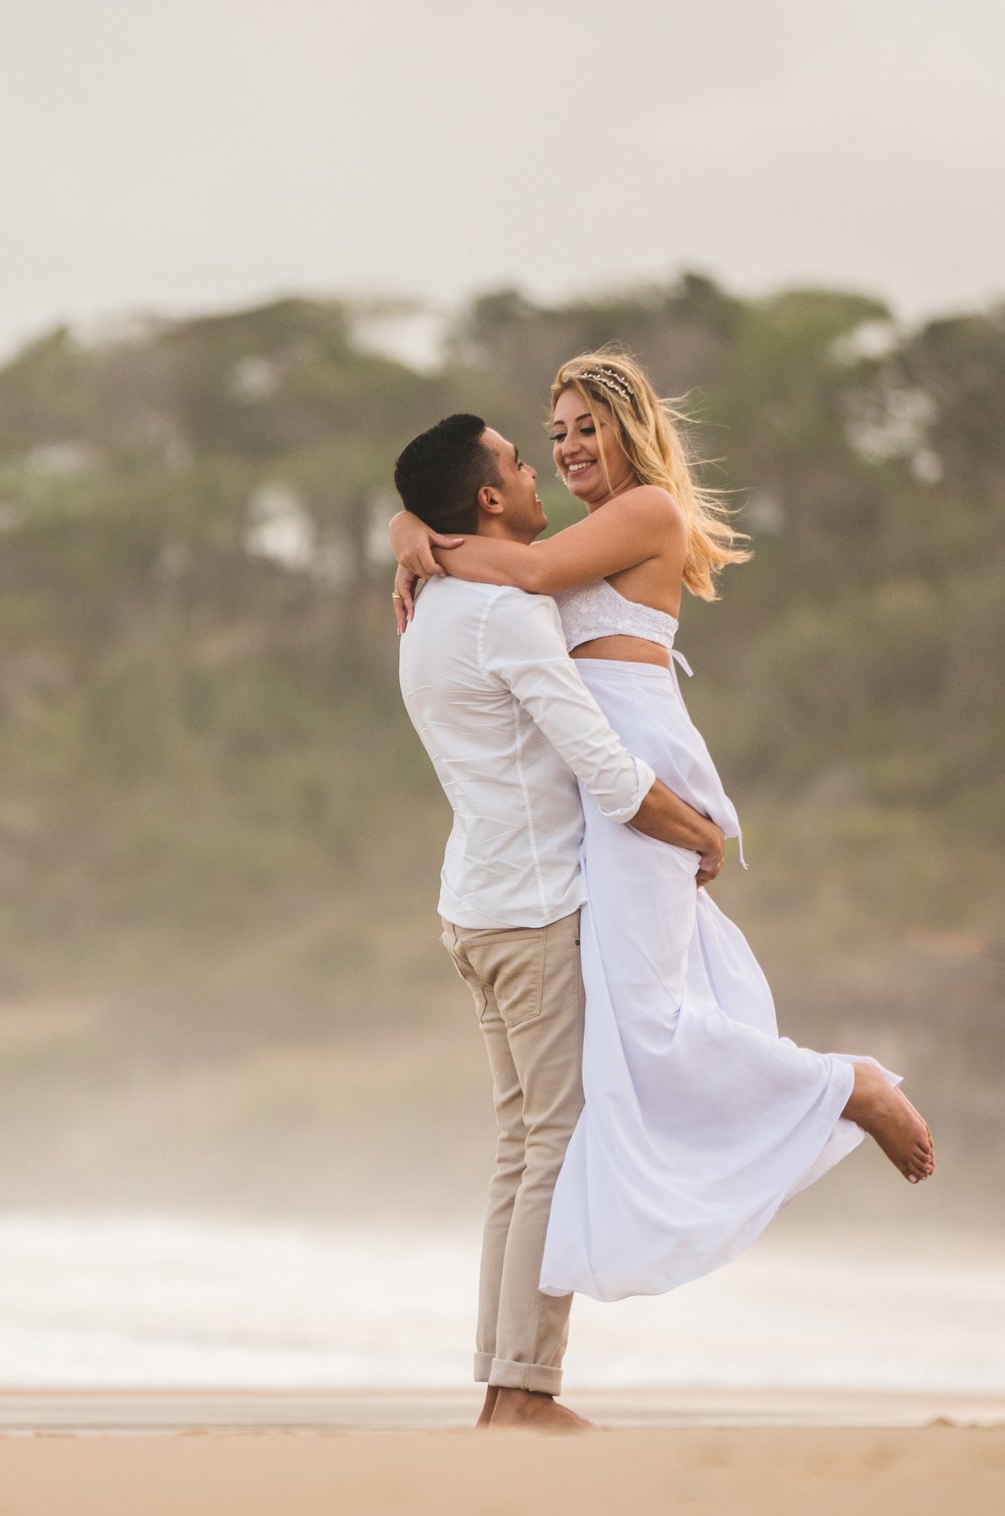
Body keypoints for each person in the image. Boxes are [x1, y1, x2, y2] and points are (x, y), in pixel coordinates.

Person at [391, 352, 934, 1319]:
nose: (564, 449)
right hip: (602, 785)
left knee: (649, 1025)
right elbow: (514, 565)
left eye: (582, 427)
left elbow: (523, 567)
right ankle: (524, 1374)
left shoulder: (645, 515)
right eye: (551, 435)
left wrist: (419, 537)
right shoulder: (567, 534)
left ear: (628, 426)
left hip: (635, 766)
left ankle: (846, 1086)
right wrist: (414, 529)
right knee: (636, 1031)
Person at [391, 413, 729, 1432]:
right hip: (534, 910)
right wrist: (693, 830)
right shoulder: (506, 614)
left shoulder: (434, 603)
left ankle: (506, 1387)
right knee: (552, 1145)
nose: (539, 471)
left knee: (521, 1145)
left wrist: (413, 528)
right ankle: (523, 1393)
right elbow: (601, 761)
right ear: (488, 498)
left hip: (475, 904)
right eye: (522, 460)